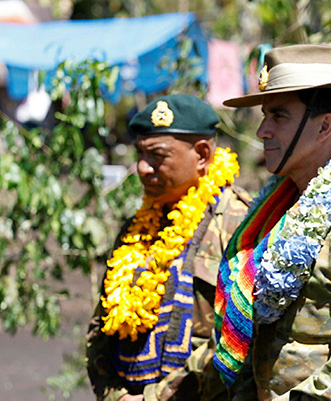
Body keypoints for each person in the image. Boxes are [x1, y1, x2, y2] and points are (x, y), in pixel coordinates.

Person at [207, 44, 331, 400]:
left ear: (324, 126)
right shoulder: (277, 207)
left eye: (278, 117)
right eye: (264, 116)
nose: (261, 131)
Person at [86, 94, 251, 401]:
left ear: (202, 155)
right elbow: (100, 326)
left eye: (158, 156)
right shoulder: (136, 228)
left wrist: (156, 398)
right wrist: (115, 396)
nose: (142, 168)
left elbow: (237, 336)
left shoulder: (240, 224)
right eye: (140, 155)